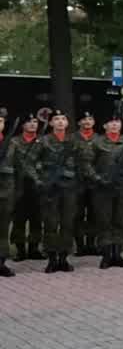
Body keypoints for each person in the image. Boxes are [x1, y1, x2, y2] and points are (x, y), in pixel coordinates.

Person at [34, 110, 81, 272]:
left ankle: (64, 257)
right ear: (51, 123)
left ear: (67, 123)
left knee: (67, 223)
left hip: (69, 187)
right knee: (51, 223)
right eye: (56, 119)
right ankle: (52, 258)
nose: (60, 122)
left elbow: (83, 162)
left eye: (63, 119)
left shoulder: (74, 141)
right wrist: (40, 178)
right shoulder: (44, 140)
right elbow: (33, 161)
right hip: (50, 188)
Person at [85, 114, 123, 269]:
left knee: (120, 220)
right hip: (103, 188)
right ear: (104, 126)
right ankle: (106, 255)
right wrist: (98, 179)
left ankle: (117, 254)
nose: (114, 125)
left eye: (117, 122)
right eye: (110, 122)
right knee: (104, 221)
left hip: (122, 187)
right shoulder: (96, 143)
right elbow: (87, 164)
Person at [11, 114, 44, 261]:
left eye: (35, 121)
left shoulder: (43, 141)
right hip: (19, 184)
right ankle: (20, 250)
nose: (32, 124)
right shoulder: (14, 142)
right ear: (23, 125)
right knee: (19, 219)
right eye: (29, 122)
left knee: (36, 218)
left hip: (37, 184)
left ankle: (34, 248)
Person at [74, 112, 100, 255]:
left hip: (95, 182)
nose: (87, 121)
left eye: (90, 119)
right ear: (79, 123)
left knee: (94, 213)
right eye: (84, 119)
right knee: (77, 214)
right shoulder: (72, 138)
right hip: (77, 182)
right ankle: (79, 245)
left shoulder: (99, 139)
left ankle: (91, 244)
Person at [0, 113, 17, 277]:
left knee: (3, 228)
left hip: (6, 191)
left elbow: (18, 167)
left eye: (0, 121)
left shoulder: (11, 143)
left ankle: (1, 262)